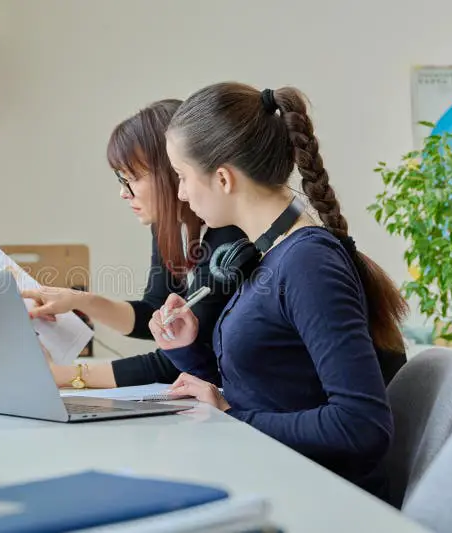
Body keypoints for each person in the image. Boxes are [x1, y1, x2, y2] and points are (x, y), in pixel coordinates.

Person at [148, 82, 408, 503]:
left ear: (222, 178)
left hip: (316, 501)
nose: (179, 193)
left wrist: (232, 417)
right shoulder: (272, 256)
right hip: (271, 479)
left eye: (181, 176)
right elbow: (267, 393)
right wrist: (188, 350)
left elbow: (361, 427)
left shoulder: (307, 264)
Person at [22, 99, 246, 389]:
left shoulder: (227, 238)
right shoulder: (168, 225)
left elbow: (175, 358)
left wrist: (65, 375)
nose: (123, 193)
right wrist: (79, 301)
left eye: (130, 178)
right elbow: (154, 313)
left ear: (174, 170)